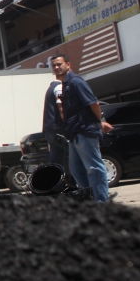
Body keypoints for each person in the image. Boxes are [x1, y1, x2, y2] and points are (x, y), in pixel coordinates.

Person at [50, 53, 114, 203]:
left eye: (59, 64)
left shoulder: (76, 82)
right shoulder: (66, 84)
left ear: (68, 65)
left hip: (85, 130)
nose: (57, 67)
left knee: (94, 168)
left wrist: (99, 122)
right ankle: (88, 200)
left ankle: (101, 202)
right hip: (74, 132)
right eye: (54, 65)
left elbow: (94, 103)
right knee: (76, 169)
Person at [42, 67, 66, 166]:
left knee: (56, 158)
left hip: (51, 129)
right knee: (63, 159)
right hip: (58, 128)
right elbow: (62, 108)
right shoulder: (59, 87)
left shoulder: (51, 87)